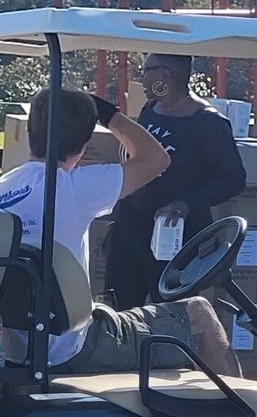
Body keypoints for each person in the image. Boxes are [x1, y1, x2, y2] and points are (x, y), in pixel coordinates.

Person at [0, 87, 239, 376]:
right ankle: (246, 412)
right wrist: (110, 116)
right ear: (84, 143)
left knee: (110, 312)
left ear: (31, 131)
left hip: (15, 347)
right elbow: (157, 159)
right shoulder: (73, 187)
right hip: (72, 347)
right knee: (200, 312)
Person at [104, 54, 247, 310]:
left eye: (146, 70)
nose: (142, 78)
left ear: (165, 76)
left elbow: (232, 177)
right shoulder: (150, 110)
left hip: (175, 237)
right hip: (130, 229)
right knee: (120, 308)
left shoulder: (207, 122)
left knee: (172, 312)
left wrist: (185, 204)